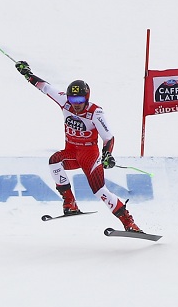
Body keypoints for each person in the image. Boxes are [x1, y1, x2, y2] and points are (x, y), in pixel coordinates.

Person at [14, 60, 142, 233]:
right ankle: (69, 202)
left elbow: (108, 137)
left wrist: (107, 155)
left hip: (90, 156)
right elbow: (44, 87)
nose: (76, 103)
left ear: (87, 98)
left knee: (99, 192)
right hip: (72, 152)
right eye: (72, 98)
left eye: (80, 99)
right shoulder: (65, 103)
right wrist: (27, 73)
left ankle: (128, 222)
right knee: (54, 161)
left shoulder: (95, 112)